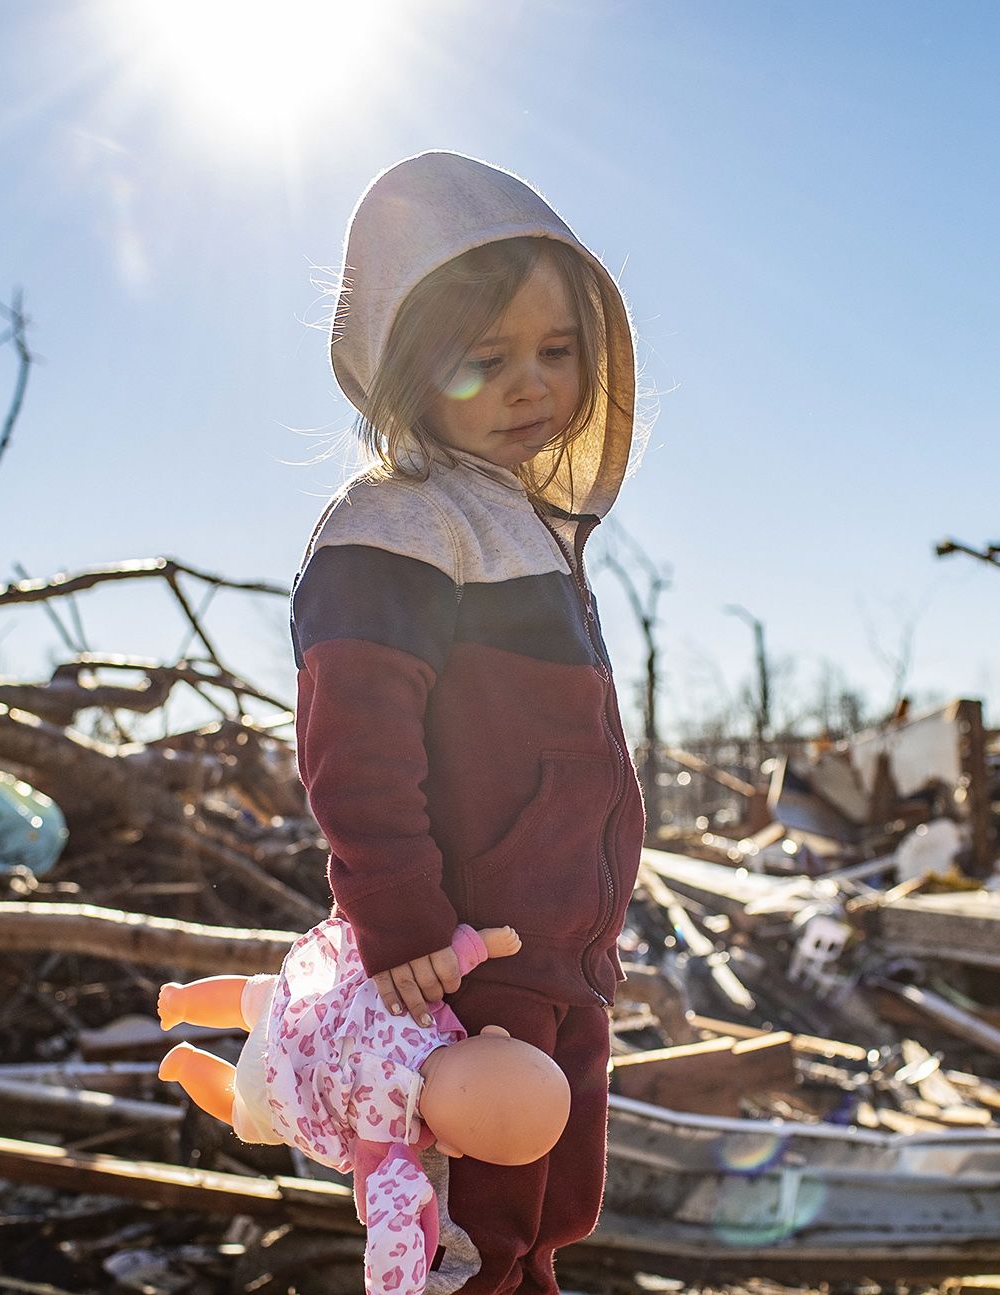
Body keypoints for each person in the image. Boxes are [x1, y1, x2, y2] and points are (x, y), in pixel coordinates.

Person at [290, 150, 645, 1294]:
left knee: (548, 1211)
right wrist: (398, 924)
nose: (529, 385)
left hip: (555, 958)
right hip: (457, 963)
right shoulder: (396, 526)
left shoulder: (528, 528)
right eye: (484, 360)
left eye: (555, 351)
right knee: (464, 1225)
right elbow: (356, 745)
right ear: (405, 369)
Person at [154, 920, 570, 1295]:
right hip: (282, 1090)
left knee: (251, 995)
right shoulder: (391, 1140)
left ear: (493, 1036)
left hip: (302, 1016)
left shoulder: (421, 1012)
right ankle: (189, 1066)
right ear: (450, 1148)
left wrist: (483, 944)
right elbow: (387, 1222)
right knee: (240, 1114)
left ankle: (184, 1002)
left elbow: (448, 963)